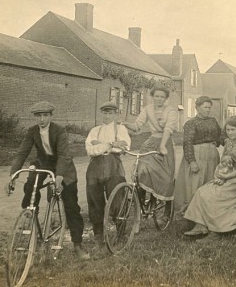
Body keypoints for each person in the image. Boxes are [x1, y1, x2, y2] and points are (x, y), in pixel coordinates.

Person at [9, 101, 90, 260]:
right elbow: (22, 153)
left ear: (51, 116)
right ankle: (31, 212)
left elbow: (64, 155)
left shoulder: (59, 131)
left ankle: (77, 244)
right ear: (35, 117)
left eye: (45, 115)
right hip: (44, 163)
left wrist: (59, 176)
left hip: (63, 166)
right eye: (38, 116)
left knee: (71, 205)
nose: (42, 119)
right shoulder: (32, 131)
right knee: (31, 183)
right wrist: (13, 175)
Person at [183, 118, 236, 241]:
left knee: (217, 196)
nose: (230, 133)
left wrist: (226, 177)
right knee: (202, 191)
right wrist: (220, 177)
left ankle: (215, 231)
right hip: (226, 177)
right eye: (228, 130)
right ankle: (201, 225)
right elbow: (223, 164)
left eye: (233, 130)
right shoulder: (228, 143)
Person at [124, 87, 178, 223]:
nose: (159, 99)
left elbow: (168, 129)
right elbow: (137, 126)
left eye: (162, 97)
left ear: (165, 99)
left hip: (165, 143)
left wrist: (162, 145)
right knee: (141, 171)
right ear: (153, 97)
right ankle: (142, 206)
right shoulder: (148, 109)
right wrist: (125, 124)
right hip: (150, 142)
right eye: (156, 96)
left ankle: (166, 210)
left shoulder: (171, 111)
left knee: (166, 177)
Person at [85, 101, 131, 243]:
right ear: (101, 113)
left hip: (114, 166)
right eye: (105, 113)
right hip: (95, 167)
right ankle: (98, 235)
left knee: (117, 199)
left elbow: (124, 147)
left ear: (115, 114)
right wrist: (111, 144)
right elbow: (90, 150)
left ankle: (121, 233)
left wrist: (100, 145)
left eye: (110, 113)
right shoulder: (94, 130)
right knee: (94, 200)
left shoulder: (121, 129)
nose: (107, 116)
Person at [174, 96, 222, 215]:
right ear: (197, 108)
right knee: (195, 184)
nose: (208, 110)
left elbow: (220, 135)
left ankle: (209, 212)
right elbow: (187, 143)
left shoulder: (213, 121)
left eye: (209, 108)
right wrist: (192, 161)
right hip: (197, 156)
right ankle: (194, 213)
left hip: (212, 156)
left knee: (210, 183)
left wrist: (217, 141)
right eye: (205, 107)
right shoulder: (191, 123)